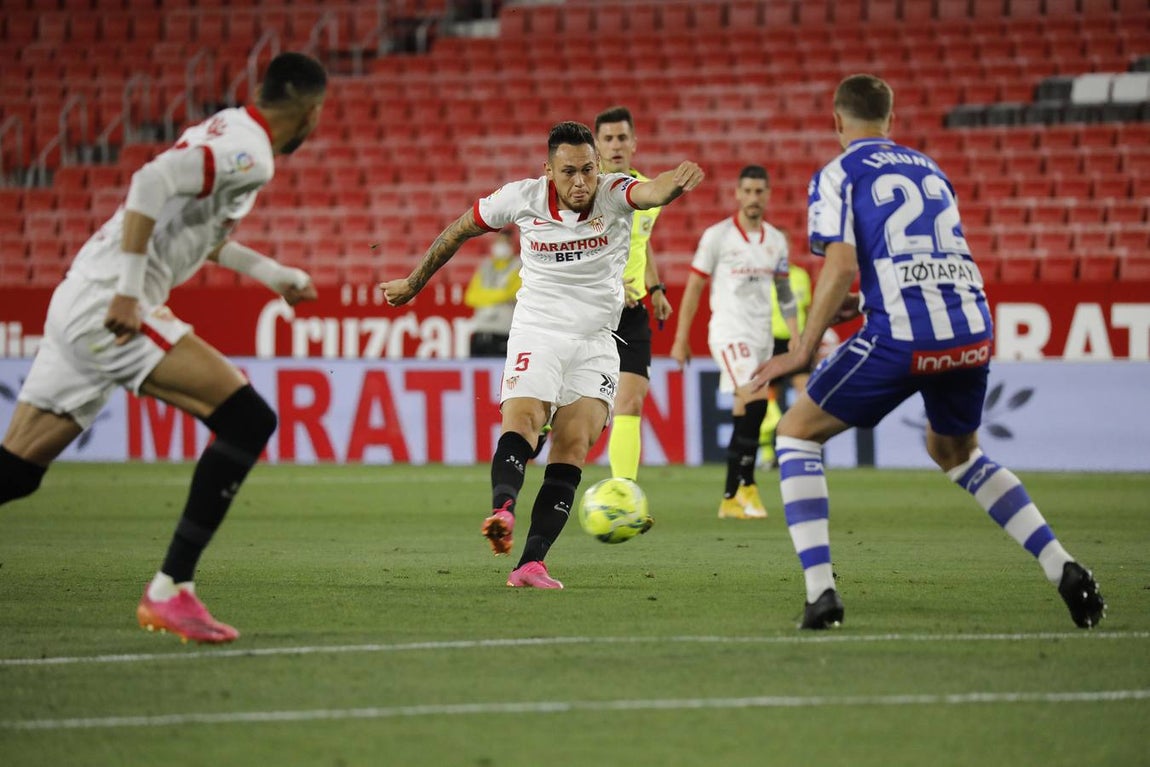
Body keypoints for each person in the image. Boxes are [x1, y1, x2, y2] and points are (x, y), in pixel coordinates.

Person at [748, 74, 1105, 630]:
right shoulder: (931, 169)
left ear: (837, 121)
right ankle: (1064, 567)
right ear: (890, 121)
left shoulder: (838, 173)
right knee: (956, 451)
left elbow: (840, 264)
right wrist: (863, 302)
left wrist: (803, 348)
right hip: (971, 325)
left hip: (905, 333)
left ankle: (821, 593)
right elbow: (924, 255)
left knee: (796, 433)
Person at [0, 52, 327, 643]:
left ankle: (171, 590)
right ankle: (171, 589)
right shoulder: (249, 152)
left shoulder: (228, 129)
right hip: (110, 308)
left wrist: (273, 274)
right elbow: (149, 183)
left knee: (17, 472)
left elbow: (199, 233)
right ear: (310, 111)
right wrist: (129, 293)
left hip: (82, 296)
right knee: (249, 419)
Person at [382, 121, 703, 589]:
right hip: (539, 332)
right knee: (525, 420)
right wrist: (414, 283)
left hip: (598, 341)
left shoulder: (614, 192)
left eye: (588, 170)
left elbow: (651, 192)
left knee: (574, 444)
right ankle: (502, 510)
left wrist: (675, 182)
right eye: (569, 172)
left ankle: (530, 564)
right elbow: (460, 229)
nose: (581, 182)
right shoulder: (522, 197)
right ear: (548, 171)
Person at [670, 165, 799, 519]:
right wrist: (681, 337)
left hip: (762, 336)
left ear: (767, 195)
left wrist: (796, 335)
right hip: (729, 332)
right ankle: (749, 485)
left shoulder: (776, 240)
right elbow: (695, 286)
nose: (754, 198)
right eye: (748, 191)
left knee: (745, 410)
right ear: (738, 194)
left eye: (760, 191)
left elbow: (785, 292)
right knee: (756, 398)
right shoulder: (718, 236)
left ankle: (729, 498)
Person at [594, 106, 673, 481]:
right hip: (591, 311)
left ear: (634, 143)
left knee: (631, 402)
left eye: (622, 138)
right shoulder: (586, 191)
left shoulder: (647, 193)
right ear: (596, 145)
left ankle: (622, 492)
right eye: (607, 139)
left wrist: (655, 287)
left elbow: (642, 241)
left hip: (632, 310)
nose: (615, 145)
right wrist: (609, 285)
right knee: (580, 409)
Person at [758, 260, 813, 468]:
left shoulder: (800, 275)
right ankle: (767, 454)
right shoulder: (762, 275)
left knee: (807, 394)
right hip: (770, 342)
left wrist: (810, 340)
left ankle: (803, 447)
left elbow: (807, 309)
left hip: (797, 343)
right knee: (768, 400)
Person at [464, 227, 521, 358]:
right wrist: (497, 294)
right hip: (481, 331)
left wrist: (484, 295)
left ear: (512, 245)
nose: (501, 246)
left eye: (505, 242)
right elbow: (470, 297)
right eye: (499, 242)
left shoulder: (519, 266)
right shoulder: (485, 266)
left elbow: (510, 293)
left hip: (504, 333)